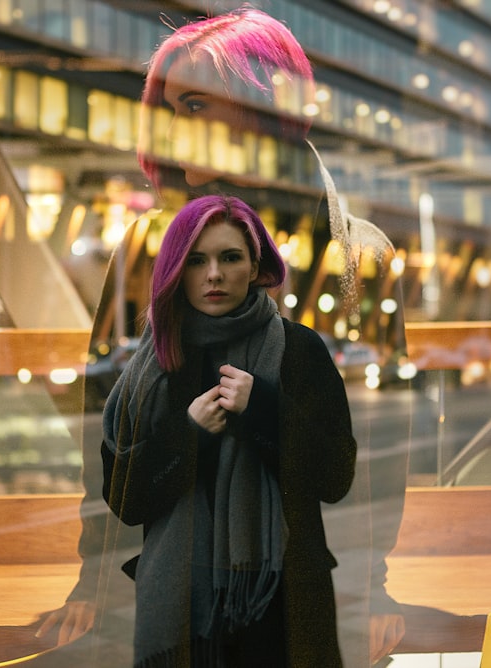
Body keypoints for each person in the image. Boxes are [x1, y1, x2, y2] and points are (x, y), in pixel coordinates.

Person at [35, 7, 408, 665]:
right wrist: (89, 583)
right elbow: (108, 434)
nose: (179, 132)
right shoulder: (149, 251)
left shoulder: (355, 260)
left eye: (197, 106)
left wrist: (373, 594)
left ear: (264, 106)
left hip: (301, 583)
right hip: (172, 586)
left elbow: (377, 453)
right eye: (172, 110)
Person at [101, 194, 356, 667]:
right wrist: (189, 434)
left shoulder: (299, 351)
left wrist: (262, 408)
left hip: (281, 602)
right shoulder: (156, 364)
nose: (213, 274)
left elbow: (335, 477)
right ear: (177, 270)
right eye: (196, 261)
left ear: (256, 265)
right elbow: (125, 501)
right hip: (185, 607)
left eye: (230, 257)